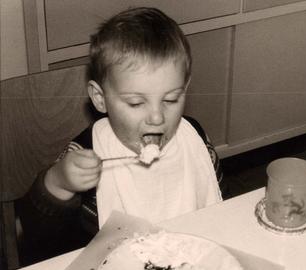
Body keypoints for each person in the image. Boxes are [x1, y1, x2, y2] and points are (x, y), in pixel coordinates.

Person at [17, 7, 225, 264]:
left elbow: (215, 199)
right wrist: (59, 183)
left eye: (171, 99)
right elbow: (33, 234)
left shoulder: (195, 138)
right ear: (100, 99)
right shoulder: (86, 151)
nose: (157, 117)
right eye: (136, 103)